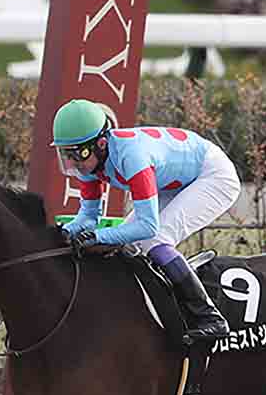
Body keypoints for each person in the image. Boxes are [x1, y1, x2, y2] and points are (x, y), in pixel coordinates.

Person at [52, 98, 241, 343]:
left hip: (212, 175)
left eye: (79, 153)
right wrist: (60, 233)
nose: (74, 163)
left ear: (101, 144)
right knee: (132, 245)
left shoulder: (133, 157)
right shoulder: (88, 164)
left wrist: (98, 236)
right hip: (173, 180)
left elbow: (147, 226)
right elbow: (88, 218)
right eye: (67, 154)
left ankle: (209, 317)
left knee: (154, 239)